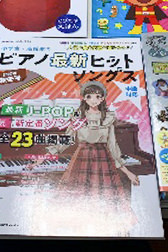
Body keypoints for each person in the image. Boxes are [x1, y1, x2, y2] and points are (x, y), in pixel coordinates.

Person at [29, 81, 139, 235]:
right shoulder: (78, 116)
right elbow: (66, 140)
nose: (93, 100)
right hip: (82, 158)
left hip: (102, 159)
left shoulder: (108, 117)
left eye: (97, 97)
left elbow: (113, 146)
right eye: (89, 96)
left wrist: (128, 173)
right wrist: (43, 157)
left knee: (105, 197)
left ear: (102, 99)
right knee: (77, 196)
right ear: (84, 98)